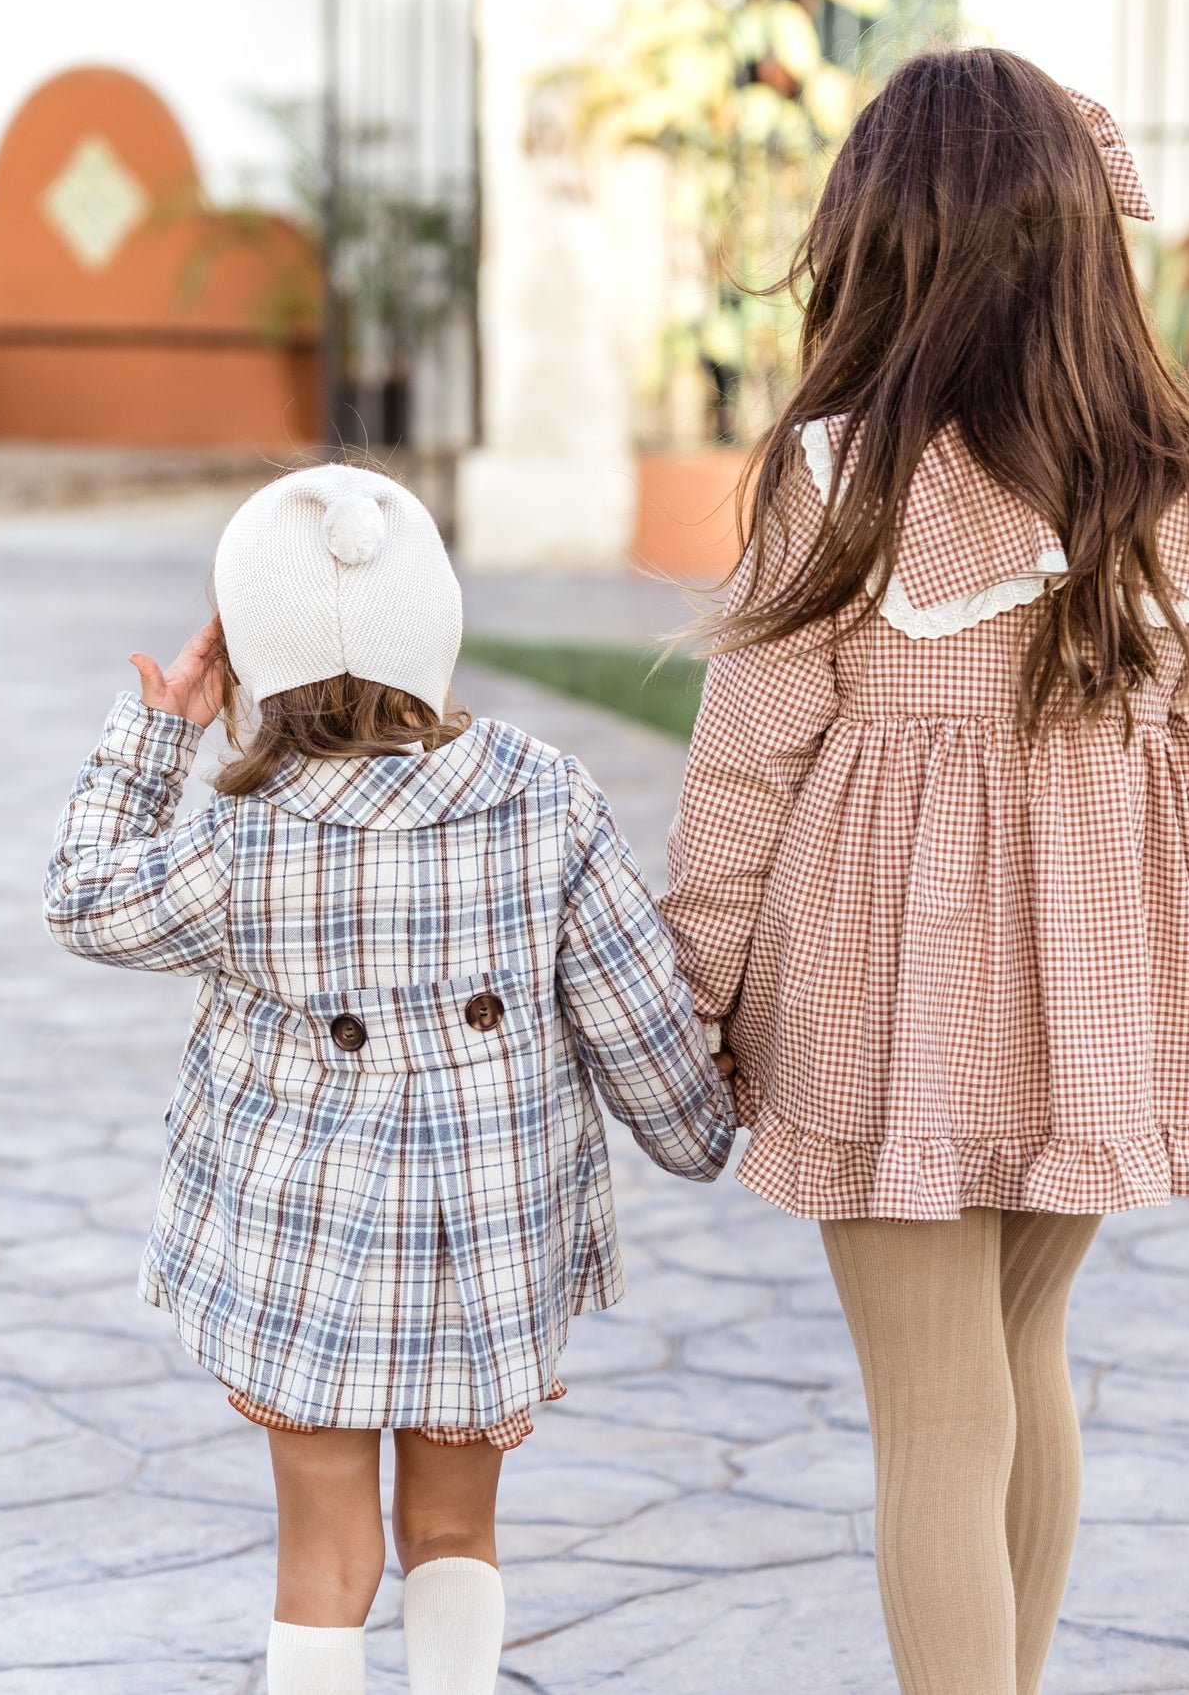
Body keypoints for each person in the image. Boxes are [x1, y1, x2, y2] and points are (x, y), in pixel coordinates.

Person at [660, 48, 1189, 1695]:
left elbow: (748, 771)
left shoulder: (837, 472)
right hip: (1099, 992)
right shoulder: (1186, 484)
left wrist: (691, 996)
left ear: (879, 246)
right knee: (1026, 1356)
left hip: (884, 998)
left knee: (939, 1418)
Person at [45, 463, 733, 1695]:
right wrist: (695, 1126)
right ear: (440, 622)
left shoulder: (236, 833)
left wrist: (159, 731)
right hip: (487, 1242)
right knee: (458, 1531)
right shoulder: (541, 795)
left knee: (320, 1552)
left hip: (304, 1253)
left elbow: (84, 898)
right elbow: (635, 1008)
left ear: (249, 647)